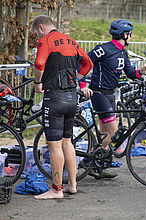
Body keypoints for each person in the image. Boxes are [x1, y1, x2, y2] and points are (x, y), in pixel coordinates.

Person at [32, 15, 93, 199]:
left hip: (55, 97)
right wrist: (76, 78)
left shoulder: (46, 41)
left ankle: (56, 189)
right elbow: (88, 63)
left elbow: (39, 63)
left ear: (41, 27)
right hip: (72, 97)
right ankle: (72, 185)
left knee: (54, 146)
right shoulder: (71, 40)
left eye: (35, 33)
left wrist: (37, 83)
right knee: (68, 142)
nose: (36, 37)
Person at [80, 19, 146, 178]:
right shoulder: (104, 49)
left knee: (105, 132)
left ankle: (97, 167)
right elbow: (83, 63)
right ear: (124, 34)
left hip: (111, 93)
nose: (130, 37)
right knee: (115, 133)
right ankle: (89, 159)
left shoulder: (122, 52)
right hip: (98, 93)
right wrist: (83, 84)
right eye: (130, 34)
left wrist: (142, 71)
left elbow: (131, 74)